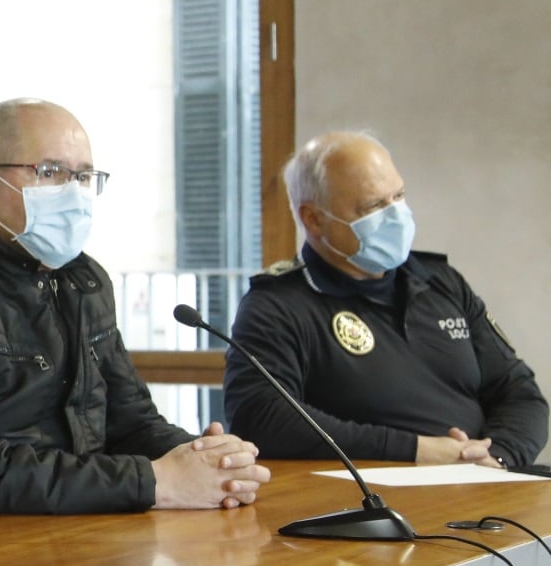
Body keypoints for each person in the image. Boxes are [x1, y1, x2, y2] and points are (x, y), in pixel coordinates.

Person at [0, 97, 270, 524]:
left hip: (58, 529)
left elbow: (131, 423)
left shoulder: (83, 279)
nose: (73, 193)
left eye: (83, 177)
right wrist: (156, 481)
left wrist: (207, 463)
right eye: (51, 172)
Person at [224, 130, 548, 467]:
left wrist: (498, 456)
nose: (395, 214)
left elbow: (520, 393)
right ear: (314, 219)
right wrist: (415, 450)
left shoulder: (440, 281)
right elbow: (261, 416)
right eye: (374, 206)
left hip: (487, 482)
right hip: (371, 501)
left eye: (398, 196)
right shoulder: (277, 304)